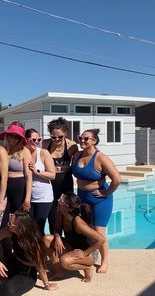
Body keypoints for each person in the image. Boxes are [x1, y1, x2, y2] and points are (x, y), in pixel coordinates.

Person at [72, 129, 121, 273]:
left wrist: (107, 192)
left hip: (100, 200)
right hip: (82, 198)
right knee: (86, 229)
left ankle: (104, 261)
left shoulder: (100, 158)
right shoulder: (77, 155)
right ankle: (89, 255)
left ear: (94, 141)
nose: (82, 140)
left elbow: (117, 179)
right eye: (81, 138)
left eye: (86, 139)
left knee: (99, 232)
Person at [0, 211, 58, 296]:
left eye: (10, 223)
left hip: (26, 273)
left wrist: (47, 285)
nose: (8, 224)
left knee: (8, 293)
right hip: (12, 262)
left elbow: (39, 265)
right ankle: (0, 274)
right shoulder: (10, 230)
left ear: (19, 227)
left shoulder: (34, 241)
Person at [51, 192, 106, 282]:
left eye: (60, 200)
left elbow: (101, 240)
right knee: (46, 239)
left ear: (67, 208)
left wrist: (84, 253)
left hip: (88, 253)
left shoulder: (78, 223)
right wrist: (57, 237)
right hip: (73, 247)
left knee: (64, 261)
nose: (58, 200)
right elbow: (57, 228)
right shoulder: (60, 213)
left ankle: (87, 268)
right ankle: (59, 272)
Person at [42, 118, 78, 235]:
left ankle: (69, 244)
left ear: (65, 134)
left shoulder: (72, 146)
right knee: (52, 216)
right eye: (53, 137)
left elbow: (76, 165)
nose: (57, 139)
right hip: (50, 184)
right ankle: (55, 243)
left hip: (66, 183)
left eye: (60, 137)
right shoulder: (45, 144)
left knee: (68, 215)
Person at [0, 122, 32, 228]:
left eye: (16, 137)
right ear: (7, 135)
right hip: (3, 189)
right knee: (3, 222)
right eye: (11, 135)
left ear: (20, 138)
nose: (13, 139)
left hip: (19, 190)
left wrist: (27, 199)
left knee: (18, 223)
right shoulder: (2, 149)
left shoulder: (24, 151)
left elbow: (29, 177)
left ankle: (18, 244)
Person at [25, 128, 56, 235]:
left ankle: (40, 251)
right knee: (28, 229)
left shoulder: (43, 153)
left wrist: (37, 171)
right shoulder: (22, 153)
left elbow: (52, 175)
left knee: (38, 228)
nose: (37, 142)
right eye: (34, 140)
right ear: (26, 140)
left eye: (39, 139)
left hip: (43, 197)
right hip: (27, 197)